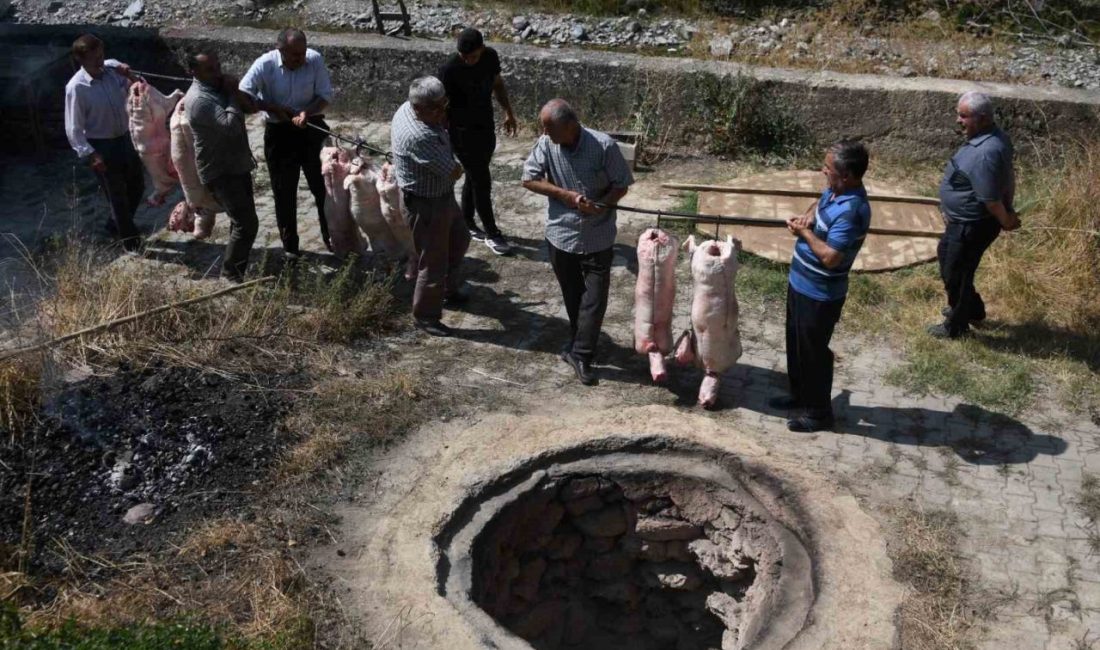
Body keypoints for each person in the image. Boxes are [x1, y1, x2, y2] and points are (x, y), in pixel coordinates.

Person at [521, 99, 634, 386]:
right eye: (544, 129)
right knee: (573, 296)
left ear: (571, 126)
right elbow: (529, 178)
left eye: (550, 129)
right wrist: (564, 195)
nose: (545, 134)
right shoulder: (547, 144)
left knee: (594, 300)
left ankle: (581, 354)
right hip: (561, 236)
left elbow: (622, 182)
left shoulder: (603, 146)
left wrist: (603, 204)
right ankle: (578, 341)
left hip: (597, 236)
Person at [770, 141, 872, 432]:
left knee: (814, 354)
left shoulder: (852, 211)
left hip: (820, 294)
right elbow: (820, 201)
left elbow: (831, 257)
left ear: (848, 176)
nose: (823, 171)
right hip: (800, 282)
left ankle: (819, 414)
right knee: (797, 344)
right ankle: (799, 395)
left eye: (828, 170)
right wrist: (808, 216)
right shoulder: (835, 191)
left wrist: (803, 232)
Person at [929, 91, 1020, 339]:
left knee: (956, 271)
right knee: (950, 261)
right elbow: (1007, 178)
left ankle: (956, 327)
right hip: (962, 222)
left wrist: (1007, 219)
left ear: (981, 118)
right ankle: (972, 309)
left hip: (971, 225)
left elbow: (991, 199)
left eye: (963, 116)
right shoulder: (991, 138)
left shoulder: (985, 151)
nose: (958, 120)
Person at [239, 28, 335, 258]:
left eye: (302, 53)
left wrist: (307, 112)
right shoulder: (265, 64)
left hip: (310, 128)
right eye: (294, 55)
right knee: (284, 192)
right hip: (279, 132)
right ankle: (290, 247)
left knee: (324, 189)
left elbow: (324, 95)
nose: (300, 58)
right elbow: (243, 94)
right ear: (280, 50)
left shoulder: (314, 59)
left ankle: (332, 238)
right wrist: (271, 107)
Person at [390, 77, 470, 337]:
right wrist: (456, 162)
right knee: (432, 262)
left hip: (440, 197)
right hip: (426, 204)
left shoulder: (410, 107)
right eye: (435, 108)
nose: (442, 112)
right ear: (417, 108)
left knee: (459, 238)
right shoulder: (420, 136)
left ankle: (449, 288)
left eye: (443, 104)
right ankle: (425, 316)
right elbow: (454, 171)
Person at [437, 27, 519, 256]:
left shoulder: (490, 57)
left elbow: (498, 84)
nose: (468, 61)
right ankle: (492, 234)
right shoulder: (449, 70)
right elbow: (440, 107)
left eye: (472, 57)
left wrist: (508, 113)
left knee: (475, 176)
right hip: (460, 132)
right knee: (482, 180)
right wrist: (442, 139)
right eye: (464, 57)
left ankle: (466, 222)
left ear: (481, 49)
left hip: (485, 126)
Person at [64, 34, 143, 252]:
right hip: (102, 145)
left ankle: (115, 224)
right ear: (82, 60)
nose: (100, 62)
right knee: (116, 195)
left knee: (137, 186)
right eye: (94, 58)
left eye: (101, 55)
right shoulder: (76, 88)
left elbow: (139, 89)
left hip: (126, 137)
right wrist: (90, 154)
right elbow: (73, 128)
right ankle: (131, 242)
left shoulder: (112, 69)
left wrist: (130, 74)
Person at [184, 50, 258, 282]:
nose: (217, 72)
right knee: (247, 224)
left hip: (237, 164)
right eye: (210, 69)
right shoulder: (199, 100)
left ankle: (236, 263)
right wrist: (232, 93)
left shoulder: (217, 87)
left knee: (241, 221)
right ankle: (231, 274)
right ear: (193, 72)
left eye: (218, 66)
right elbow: (230, 126)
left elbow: (248, 108)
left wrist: (235, 94)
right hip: (221, 170)